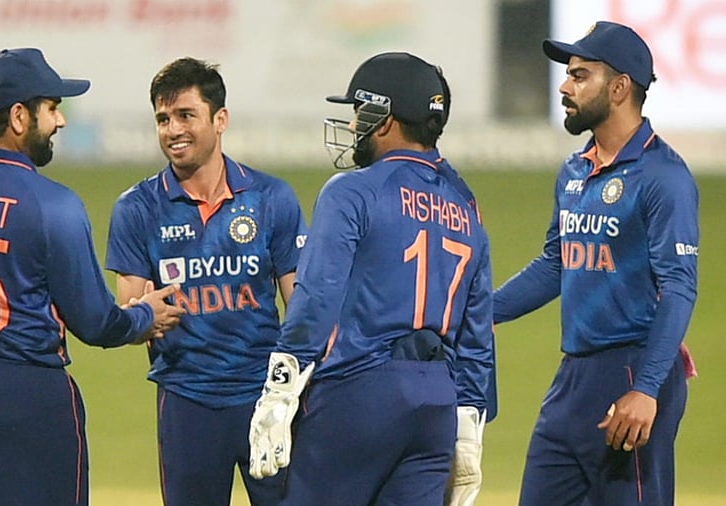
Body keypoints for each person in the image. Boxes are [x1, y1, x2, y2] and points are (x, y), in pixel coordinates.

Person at [0, 47, 185, 506]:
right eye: (51, 108)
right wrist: (144, 316)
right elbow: (96, 324)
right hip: (26, 395)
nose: (60, 121)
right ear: (18, 117)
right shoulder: (53, 206)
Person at [247, 52, 495, 506]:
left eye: (360, 112)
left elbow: (317, 296)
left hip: (360, 392)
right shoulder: (467, 205)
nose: (355, 124)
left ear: (385, 120)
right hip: (437, 399)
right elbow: (476, 330)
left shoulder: (353, 191)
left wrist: (280, 388)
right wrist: (469, 424)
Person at [492, 21, 699, 505]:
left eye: (580, 75)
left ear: (620, 87)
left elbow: (679, 285)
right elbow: (556, 262)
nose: (565, 86)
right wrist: (483, 311)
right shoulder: (575, 169)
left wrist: (647, 389)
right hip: (573, 379)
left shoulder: (663, 177)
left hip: (633, 372)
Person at [104, 57, 308, 506]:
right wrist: (141, 316)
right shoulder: (138, 209)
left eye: (185, 115)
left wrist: (298, 389)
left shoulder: (270, 197)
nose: (172, 130)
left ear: (220, 120)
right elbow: (133, 315)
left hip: (265, 399)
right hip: (186, 400)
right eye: (162, 119)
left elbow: (302, 306)